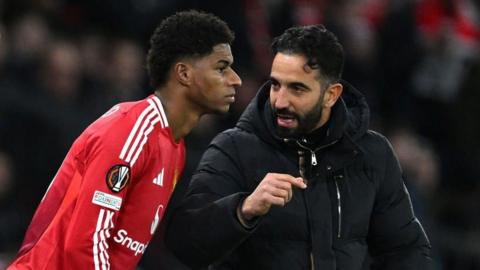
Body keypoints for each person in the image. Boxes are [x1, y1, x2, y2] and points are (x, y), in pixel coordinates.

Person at [165, 24, 432, 269]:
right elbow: (186, 244)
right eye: (275, 85)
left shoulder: (372, 154)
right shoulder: (233, 149)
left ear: (331, 95)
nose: (280, 101)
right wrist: (243, 209)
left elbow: (406, 251)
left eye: (297, 89)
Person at [8, 10, 241, 270]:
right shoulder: (132, 130)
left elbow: (120, 250)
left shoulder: (175, 147)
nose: (236, 80)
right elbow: (84, 247)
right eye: (222, 68)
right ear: (184, 74)